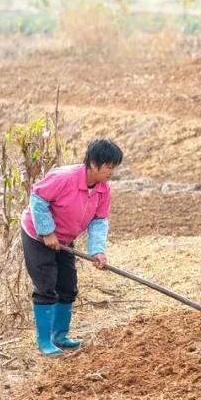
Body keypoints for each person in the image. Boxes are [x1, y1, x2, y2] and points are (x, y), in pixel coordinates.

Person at [21, 138, 123, 356]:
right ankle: (45, 341)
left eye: (114, 167)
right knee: (47, 285)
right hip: (38, 237)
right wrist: (47, 231)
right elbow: (38, 198)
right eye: (108, 166)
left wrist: (97, 251)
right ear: (93, 164)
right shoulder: (64, 178)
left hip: (65, 240)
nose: (111, 172)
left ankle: (60, 336)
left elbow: (98, 221)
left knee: (68, 286)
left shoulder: (103, 189)